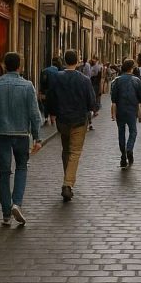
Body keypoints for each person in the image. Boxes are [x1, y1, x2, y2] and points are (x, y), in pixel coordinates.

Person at [0, 52, 43, 226]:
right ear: (19, 67)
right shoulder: (27, 86)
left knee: (4, 172)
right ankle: (17, 203)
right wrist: (38, 138)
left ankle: (6, 214)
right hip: (22, 134)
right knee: (22, 168)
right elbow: (34, 114)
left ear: (3, 66)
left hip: (1, 134)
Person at [47, 49, 99, 202]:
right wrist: (93, 109)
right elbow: (91, 101)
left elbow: (50, 97)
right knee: (75, 152)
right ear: (77, 62)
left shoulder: (56, 78)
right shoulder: (84, 80)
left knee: (66, 150)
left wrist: (51, 113)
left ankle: (67, 180)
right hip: (78, 121)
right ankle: (67, 184)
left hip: (62, 120)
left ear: (65, 61)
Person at [110, 58, 141, 168]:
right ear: (132, 68)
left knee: (121, 132)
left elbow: (113, 99)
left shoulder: (116, 81)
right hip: (132, 109)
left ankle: (123, 156)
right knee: (133, 131)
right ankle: (129, 148)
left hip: (120, 110)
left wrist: (113, 112)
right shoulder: (136, 81)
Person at [39, 56, 61, 125]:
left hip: (46, 91)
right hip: (55, 92)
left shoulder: (45, 70)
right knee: (53, 105)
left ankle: (46, 118)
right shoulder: (59, 72)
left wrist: (41, 91)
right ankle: (53, 120)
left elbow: (42, 82)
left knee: (46, 105)